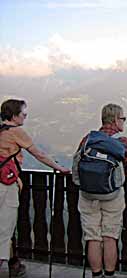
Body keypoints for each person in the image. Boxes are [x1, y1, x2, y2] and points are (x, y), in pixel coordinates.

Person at [0, 99, 70, 277]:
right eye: (23, 114)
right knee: (5, 227)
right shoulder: (16, 132)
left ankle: (14, 263)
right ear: (14, 115)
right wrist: (59, 167)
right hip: (6, 185)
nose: (25, 116)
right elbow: (38, 154)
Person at [77, 103, 127, 278]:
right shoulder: (122, 142)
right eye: (123, 118)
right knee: (110, 236)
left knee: (92, 236)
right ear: (116, 120)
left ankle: (95, 274)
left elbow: (77, 164)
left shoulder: (87, 139)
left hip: (87, 195)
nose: (124, 122)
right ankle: (109, 275)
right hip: (112, 195)